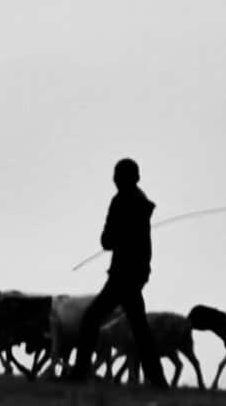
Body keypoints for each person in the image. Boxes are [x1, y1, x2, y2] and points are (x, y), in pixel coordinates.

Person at [67, 157, 169, 387]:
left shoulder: (121, 202)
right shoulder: (140, 204)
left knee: (92, 318)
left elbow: (107, 240)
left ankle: (79, 373)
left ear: (123, 178)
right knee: (139, 327)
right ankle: (158, 380)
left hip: (122, 275)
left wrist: (115, 238)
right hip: (135, 275)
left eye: (117, 175)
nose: (114, 179)